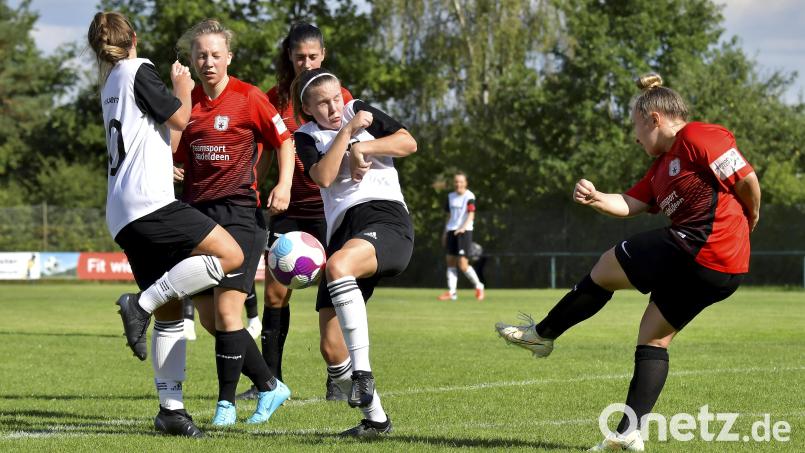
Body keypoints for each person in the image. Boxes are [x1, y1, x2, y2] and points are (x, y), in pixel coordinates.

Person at [495, 73, 761, 451]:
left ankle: (543, 334)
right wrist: (595, 197)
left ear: (654, 119)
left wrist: (752, 215)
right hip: (721, 270)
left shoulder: (698, 135)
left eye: (636, 126)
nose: (635, 137)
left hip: (703, 248)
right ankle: (628, 433)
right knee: (653, 336)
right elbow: (629, 204)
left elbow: (747, 179)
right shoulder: (660, 168)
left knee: (608, 265)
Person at [88, 11, 244, 437]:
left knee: (171, 309)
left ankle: (171, 410)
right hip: (149, 204)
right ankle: (139, 305)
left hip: (122, 212)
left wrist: (161, 163)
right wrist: (182, 88)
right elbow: (179, 118)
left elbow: (155, 138)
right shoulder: (138, 69)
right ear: (134, 39)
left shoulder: (110, 83)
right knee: (230, 255)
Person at [172, 19, 295, 426]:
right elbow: (173, 152)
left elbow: (285, 140)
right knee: (210, 319)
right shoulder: (186, 103)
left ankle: (225, 405)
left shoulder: (249, 97)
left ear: (229, 57)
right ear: (191, 60)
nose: (208, 62)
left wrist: (283, 185)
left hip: (240, 215)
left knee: (228, 312)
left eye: (215, 54)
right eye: (200, 55)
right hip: (195, 217)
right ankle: (270, 385)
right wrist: (170, 165)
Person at [293, 68, 417, 437]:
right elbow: (323, 176)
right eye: (322, 104)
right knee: (332, 350)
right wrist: (348, 136)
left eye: (336, 99)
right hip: (342, 232)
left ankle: (363, 371)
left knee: (339, 265)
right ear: (308, 109)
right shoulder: (306, 135)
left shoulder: (359, 109)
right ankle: (376, 421)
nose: (333, 108)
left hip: (385, 216)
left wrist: (365, 147)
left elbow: (408, 142)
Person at [237, 22, 353, 402]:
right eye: (299, 57)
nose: (306, 63)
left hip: (330, 211)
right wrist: (251, 192)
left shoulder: (340, 97)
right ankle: (270, 382)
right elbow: (268, 153)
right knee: (274, 295)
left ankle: (338, 378)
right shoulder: (275, 99)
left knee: (333, 293)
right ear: (289, 56)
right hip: (289, 211)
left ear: (323, 56)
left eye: (313, 57)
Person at [437, 172, 485, 301]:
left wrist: (463, 227)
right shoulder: (450, 196)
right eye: (456, 182)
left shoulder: (469, 196)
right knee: (450, 262)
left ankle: (479, 286)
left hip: (464, 232)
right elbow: (448, 216)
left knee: (463, 265)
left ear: (466, 183)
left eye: (461, 181)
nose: (458, 184)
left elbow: (471, 214)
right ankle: (452, 292)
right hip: (451, 231)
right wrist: (445, 232)